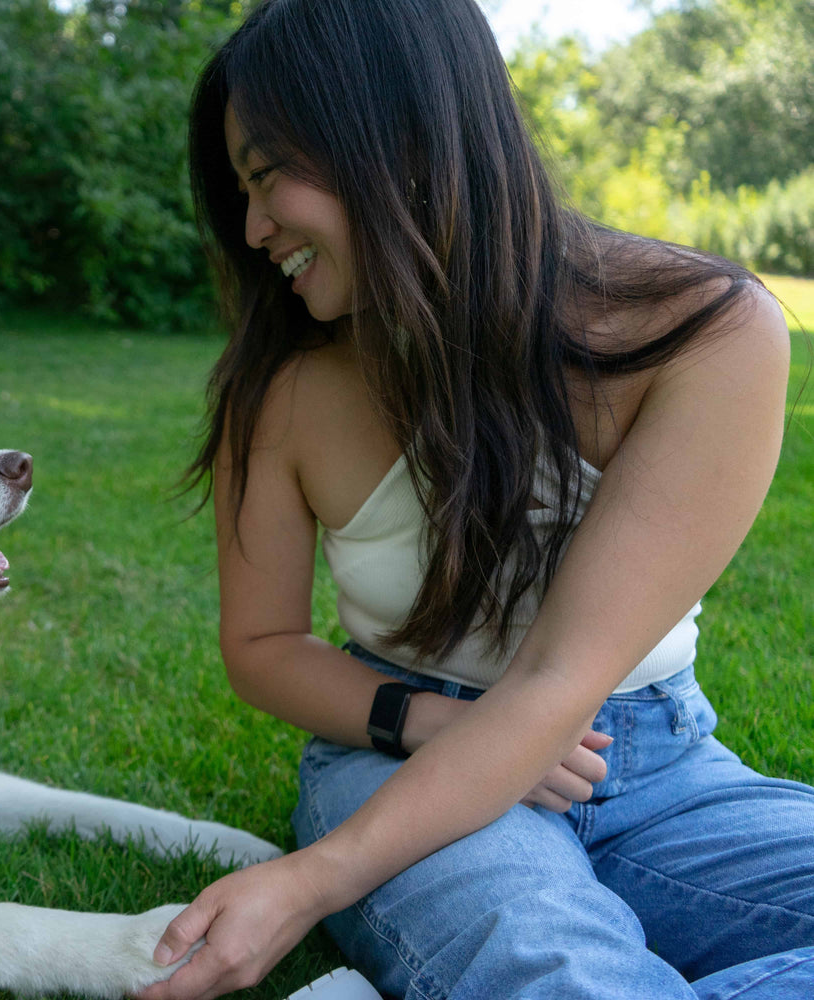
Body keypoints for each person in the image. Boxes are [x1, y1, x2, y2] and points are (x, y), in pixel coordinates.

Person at [137, 1, 814, 998]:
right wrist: (421, 723)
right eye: (242, 189)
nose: (253, 226)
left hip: (660, 774)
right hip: (396, 767)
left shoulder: (705, 333)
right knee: (559, 975)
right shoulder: (284, 390)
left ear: (400, 134)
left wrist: (308, 882)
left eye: (269, 173)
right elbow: (262, 649)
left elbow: (556, 682)